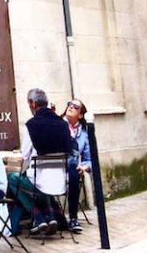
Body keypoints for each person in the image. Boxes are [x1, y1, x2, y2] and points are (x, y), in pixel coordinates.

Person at [20, 87, 75, 236]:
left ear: (32, 103)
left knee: (14, 179)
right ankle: (50, 217)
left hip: (41, 182)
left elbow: (24, 156)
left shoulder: (31, 125)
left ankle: (38, 218)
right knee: (40, 178)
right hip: (62, 182)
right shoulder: (63, 124)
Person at [62, 98, 91, 233]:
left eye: (75, 106)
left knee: (75, 173)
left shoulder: (84, 134)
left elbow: (90, 159)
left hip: (72, 167)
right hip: (56, 163)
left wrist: (84, 167)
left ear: (80, 114)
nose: (71, 107)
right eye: (69, 104)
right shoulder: (58, 125)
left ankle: (73, 218)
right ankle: (52, 216)